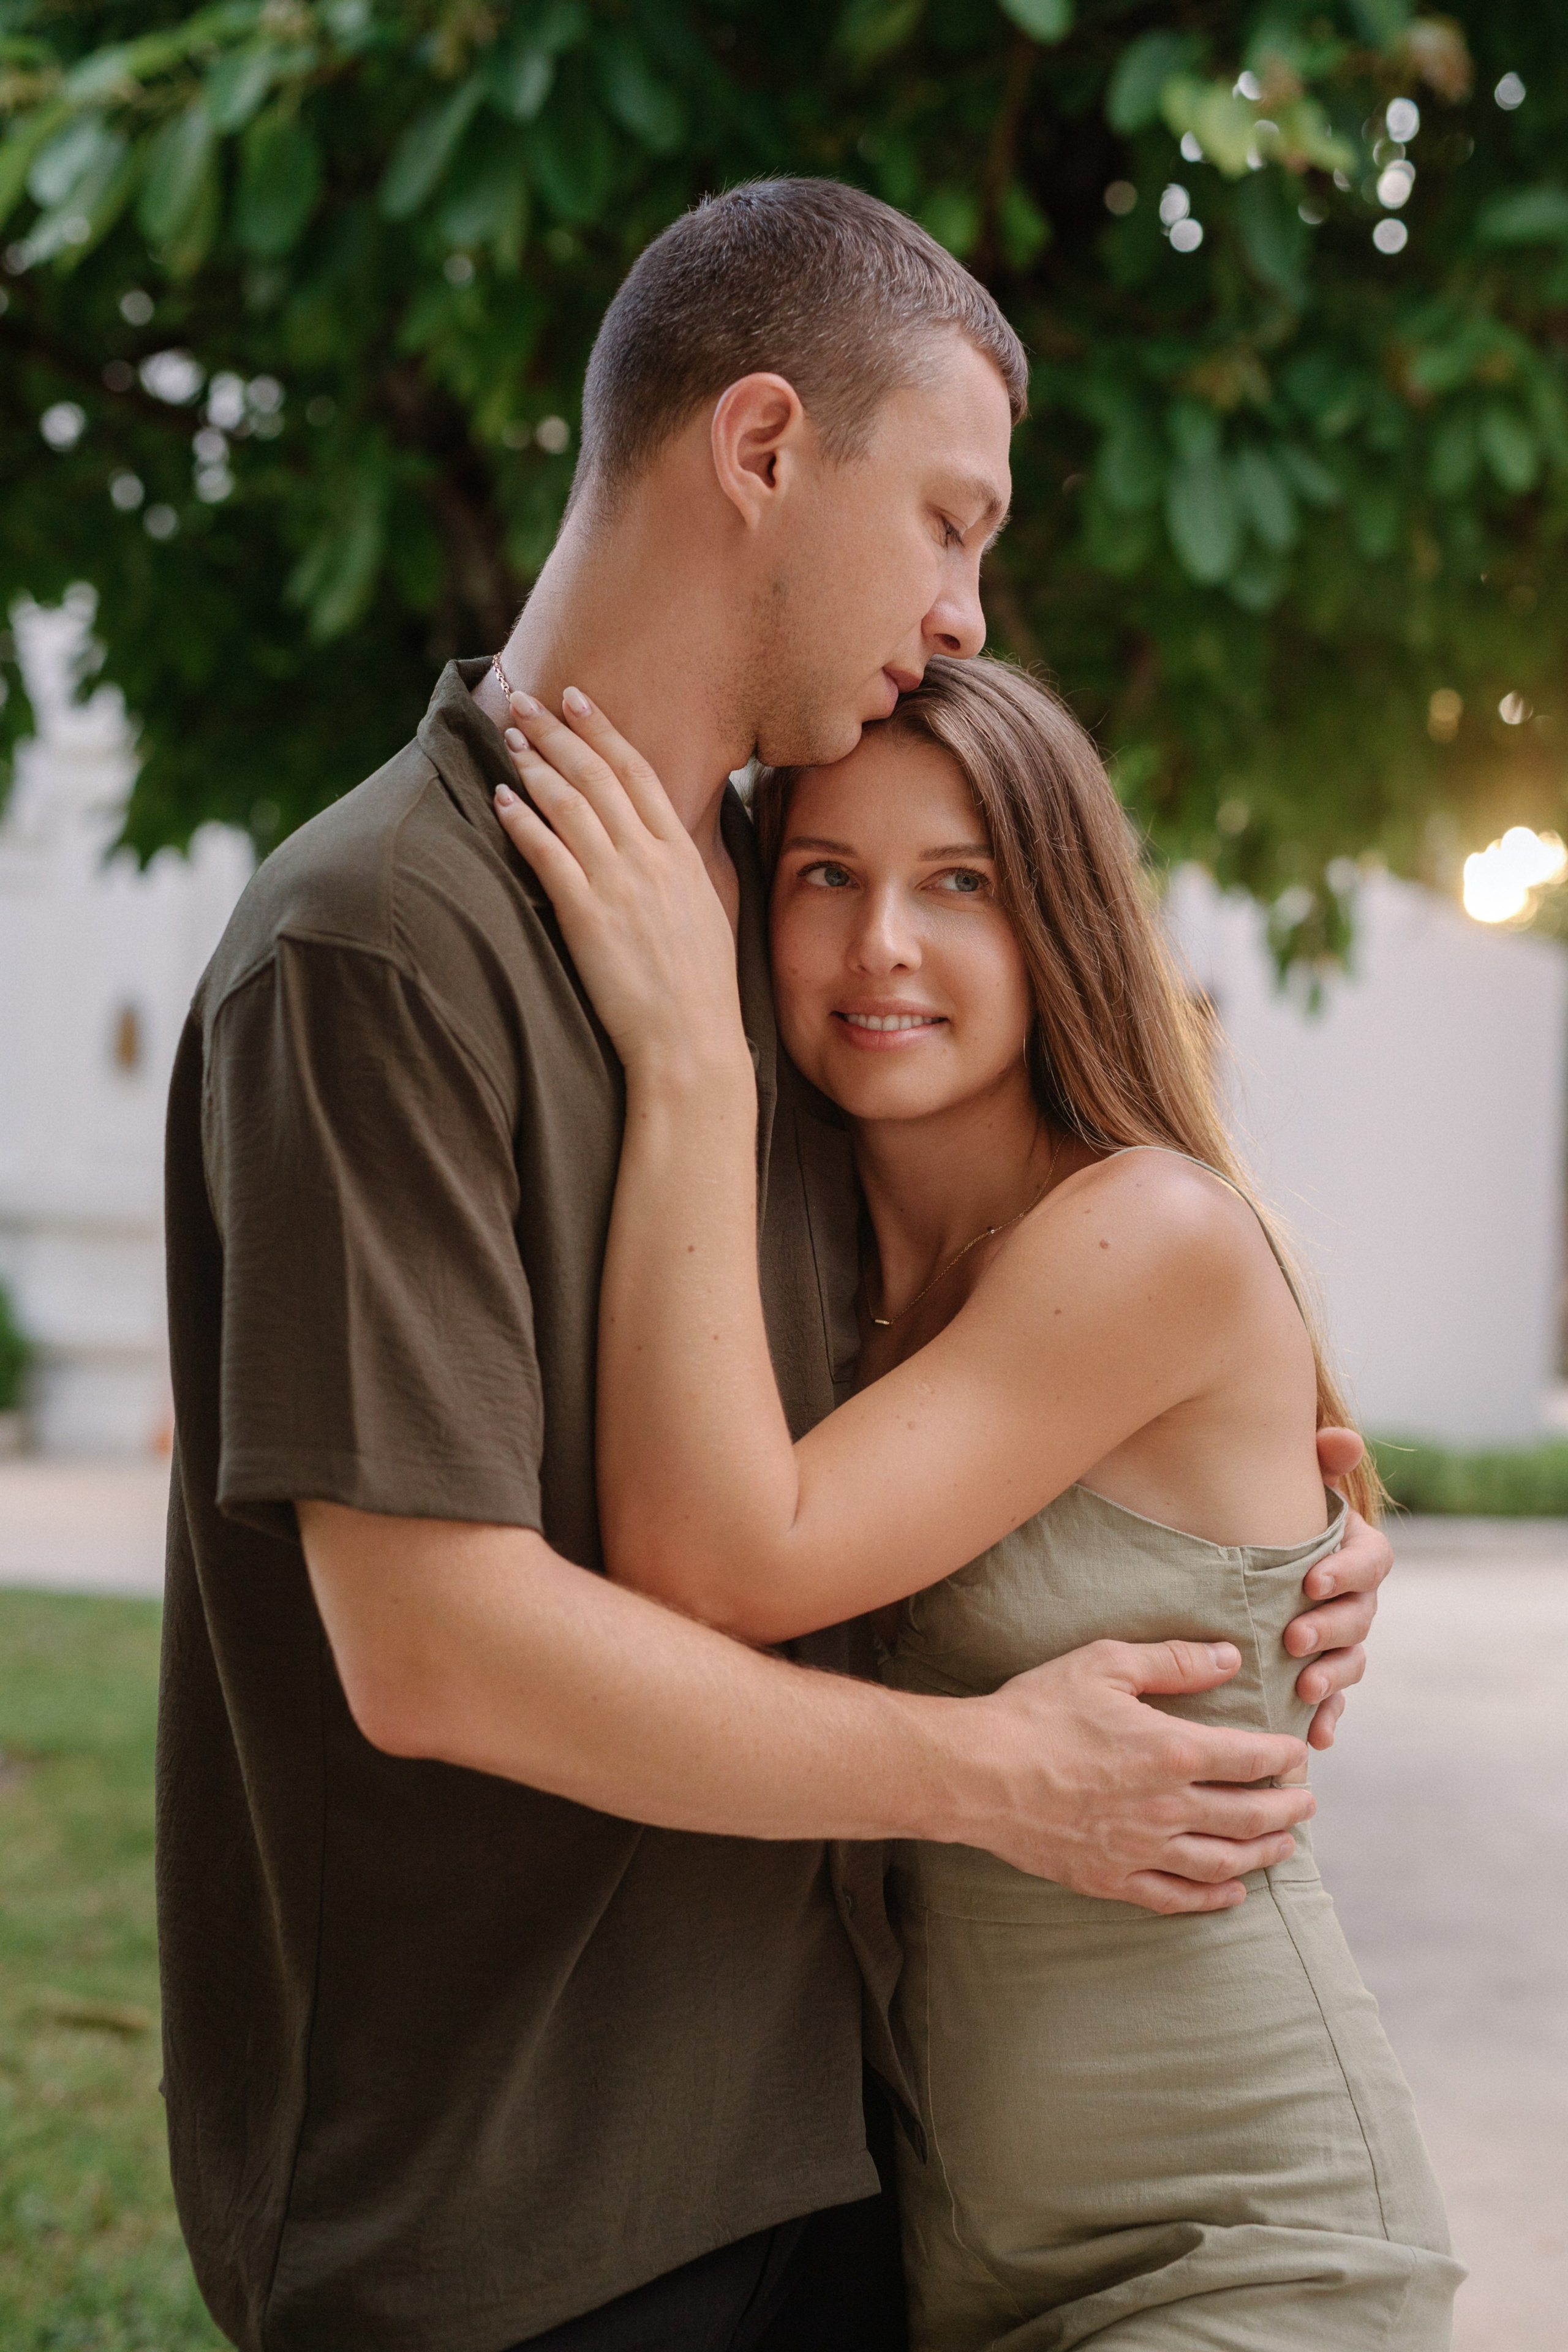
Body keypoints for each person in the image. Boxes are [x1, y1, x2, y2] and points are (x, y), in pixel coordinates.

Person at [158, 180, 1390, 2352]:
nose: (970, 610)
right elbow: (436, 1648)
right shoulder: (376, 947)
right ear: (758, 450)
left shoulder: (794, 927)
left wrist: (1264, 1542)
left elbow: (999, 1326)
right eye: (947, 519)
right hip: (513, 2223)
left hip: (836, 2173)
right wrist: (997, 1772)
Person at [491, 652, 1460, 2348]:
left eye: (963, 887)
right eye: (825, 879)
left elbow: (716, 1568)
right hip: (951, 2263)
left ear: (1059, 929)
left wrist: (693, 1066)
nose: (883, 946)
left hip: (1238, 2245)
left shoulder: (1138, 1235)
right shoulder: (804, 1275)